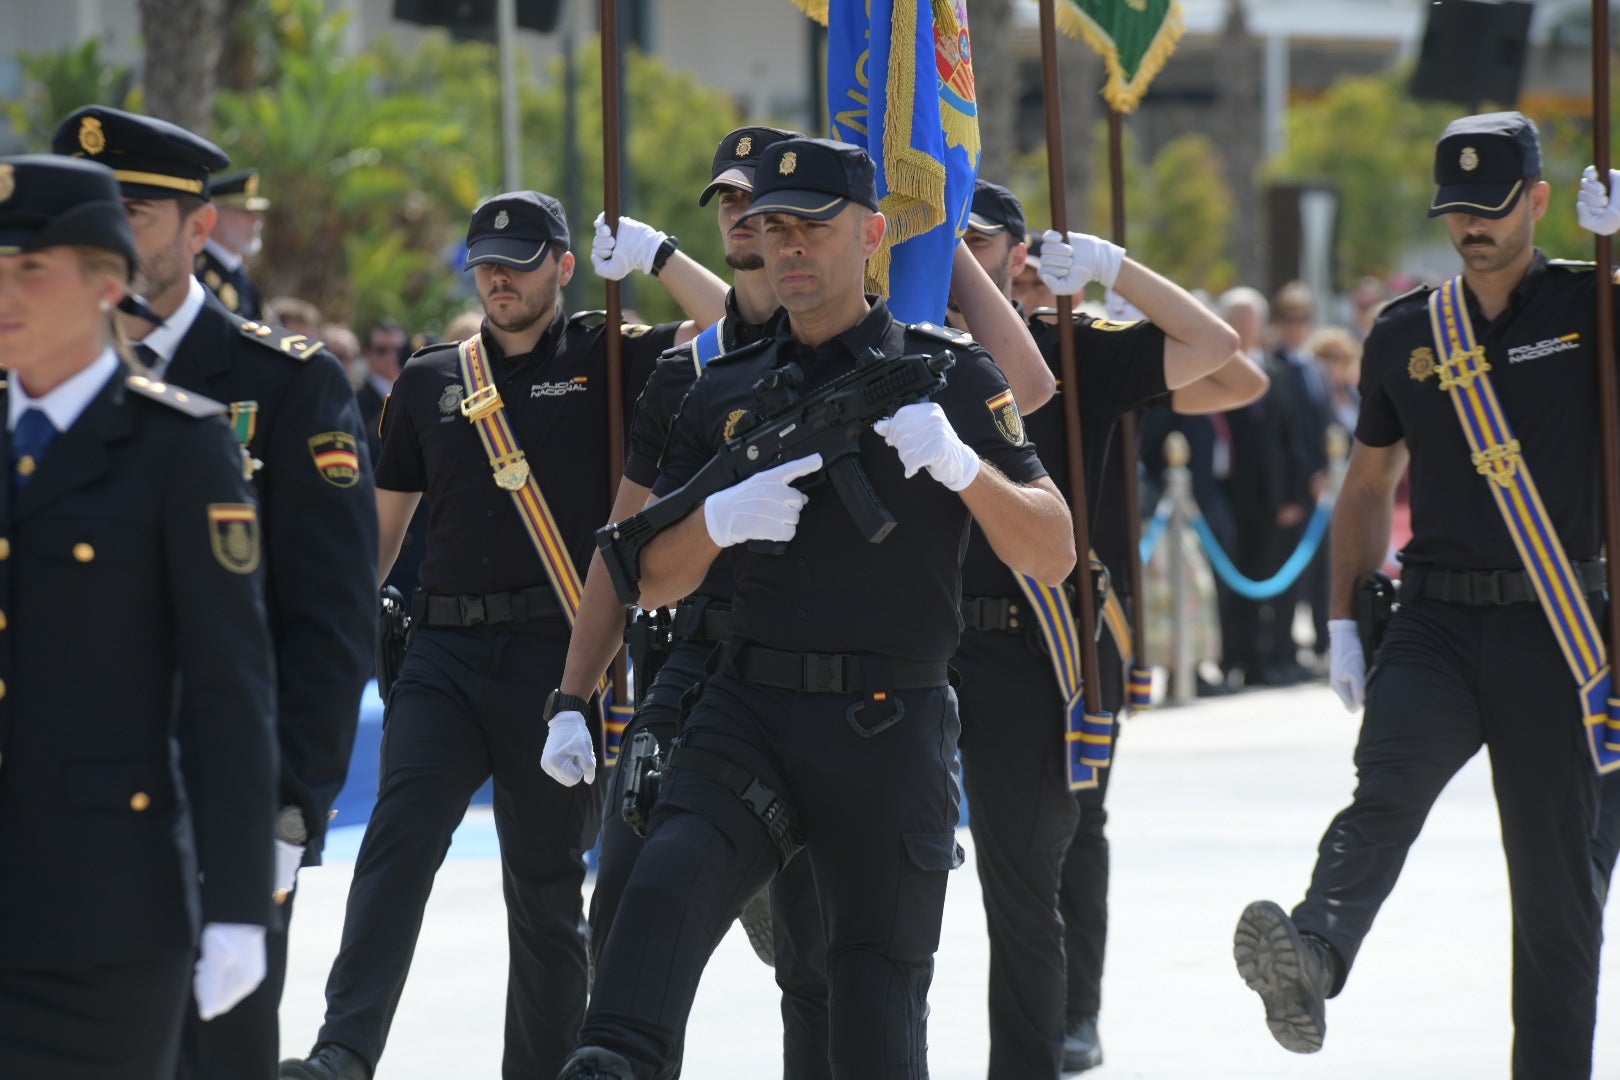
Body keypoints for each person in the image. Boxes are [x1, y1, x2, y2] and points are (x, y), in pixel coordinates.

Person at [556, 135, 1075, 1080]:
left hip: (888, 726)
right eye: (770, 228)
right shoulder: (724, 389)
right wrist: (714, 518)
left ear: (874, 234)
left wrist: (965, 472)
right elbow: (647, 573)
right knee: (650, 913)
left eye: (813, 228)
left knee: (872, 1012)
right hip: (746, 710)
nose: (788, 246)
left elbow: (1054, 548)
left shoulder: (952, 376)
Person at [278, 188, 726, 1080]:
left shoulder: (613, 356)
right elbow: (382, 530)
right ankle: (343, 1053)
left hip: (557, 656)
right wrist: (324, 635)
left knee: (546, 888)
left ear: (563, 266)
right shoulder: (429, 376)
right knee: (395, 851)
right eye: (485, 261)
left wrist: (657, 254)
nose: (497, 278)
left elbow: (742, 327)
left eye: (519, 262)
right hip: (441, 652)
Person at [1234, 112, 1612, 1079]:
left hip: (1558, 626)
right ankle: (1314, 953)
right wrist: (1347, 621)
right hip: (1435, 619)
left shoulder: (1594, 305)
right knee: (1383, 795)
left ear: (1537, 199)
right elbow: (1366, 485)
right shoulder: (1407, 332)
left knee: (1556, 892)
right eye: (1456, 211)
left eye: (1491, 209)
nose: (1471, 229)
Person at [49, 104, 381, 1080]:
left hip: (221, 810)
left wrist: (289, 816)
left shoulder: (285, 385)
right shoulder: (40, 384)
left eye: (133, 213)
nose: (103, 235)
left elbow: (328, 621)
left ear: (200, 229)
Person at [947, 180, 1255, 1076]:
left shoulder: (1072, 350)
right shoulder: (898, 347)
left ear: (1019, 254)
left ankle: (1071, 1018)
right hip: (926, 630)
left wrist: (1119, 272)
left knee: (1062, 837)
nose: (957, 256)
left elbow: (1224, 352)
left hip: (1048, 637)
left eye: (976, 240)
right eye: (943, 238)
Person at [0, 153, 277, 1078]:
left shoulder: (178, 447)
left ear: (106, 282)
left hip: (106, 922)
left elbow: (227, 689)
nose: (5, 291)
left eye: (31, 268)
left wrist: (239, 902)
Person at [196, 166, 267, 319]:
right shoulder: (197, 271)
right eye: (246, 212)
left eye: (257, 213)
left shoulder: (236, 271)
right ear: (213, 217)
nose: (257, 220)